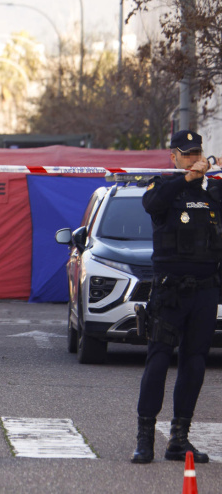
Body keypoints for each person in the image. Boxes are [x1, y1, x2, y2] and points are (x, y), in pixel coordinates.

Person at [132, 130, 219, 464]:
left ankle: (179, 439)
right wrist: (186, 178)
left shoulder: (213, 192)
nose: (192, 158)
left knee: (195, 362)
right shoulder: (164, 188)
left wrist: (211, 176)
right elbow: (151, 204)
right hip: (170, 291)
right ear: (173, 157)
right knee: (158, 360)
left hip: (205, 290)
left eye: (196, 153)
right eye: (185, 154)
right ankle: (144, 439)